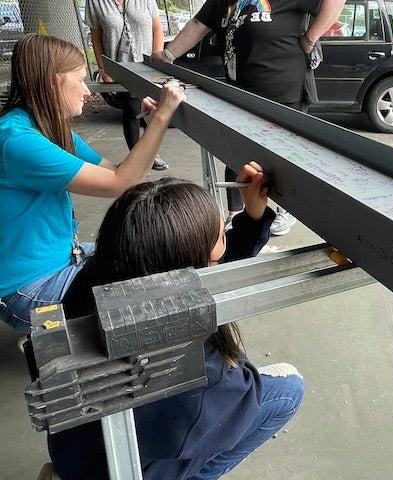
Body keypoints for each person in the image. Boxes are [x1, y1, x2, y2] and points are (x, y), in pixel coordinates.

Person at [44, 166, 304, 480]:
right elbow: (238, 396)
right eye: (221, 233)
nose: (224, 233)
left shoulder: (95, 280)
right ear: (194, 262)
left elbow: (204, 269)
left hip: (74, 453)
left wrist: (250, 218)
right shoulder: (196, 371)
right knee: (289, 389)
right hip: (125, 467)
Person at [0, 34, 185, 333]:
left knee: (147, 255)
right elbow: (120, 183)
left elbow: (120, 171)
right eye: (80, 80)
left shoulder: (47, 126)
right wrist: (163, 117)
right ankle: (52, 332)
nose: (87, 91)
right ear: (53, 82)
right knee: (145, 292)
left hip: (64, 258)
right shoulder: (17, 141)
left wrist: (152, 126)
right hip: (30, 290)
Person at [153, 0, 346, 235]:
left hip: (282, 90)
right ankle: (235, 215)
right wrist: (168, 54)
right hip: (241, 91)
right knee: (235, 154)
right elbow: (197, 23)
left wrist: (310, 37)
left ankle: (288, 210)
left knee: (282, 160)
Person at [86, 0, 169, 170]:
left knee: (150, 109)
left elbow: (157, 29)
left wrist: (157, 57)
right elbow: (96, 37)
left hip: (146, 67)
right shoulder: (95, 2)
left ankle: (149, 153)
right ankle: (137, 160)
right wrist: (103, 68)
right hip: (120, 68)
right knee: (132, 109)